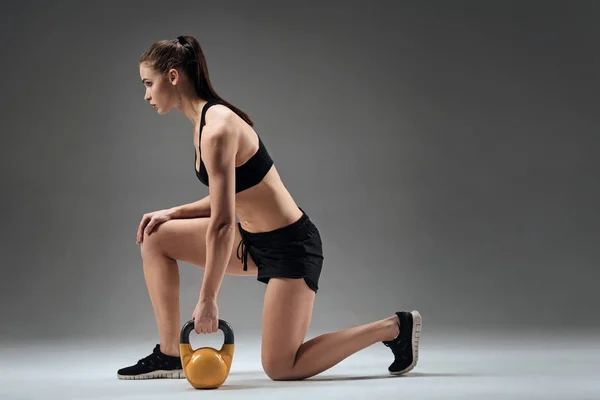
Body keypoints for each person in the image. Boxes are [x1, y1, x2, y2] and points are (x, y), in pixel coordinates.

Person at [117, 35, 422, 381]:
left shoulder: (216, 129)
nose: (146, 95)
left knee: (280, 367)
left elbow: (221, 224)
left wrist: (207, 300)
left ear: (173, 77)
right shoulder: (201, 123)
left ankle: (393, 327)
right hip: (252, 240)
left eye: (148, 83)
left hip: (291, 246)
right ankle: (171, 353)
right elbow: (231, 199)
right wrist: (172, 213)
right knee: (156, 237)